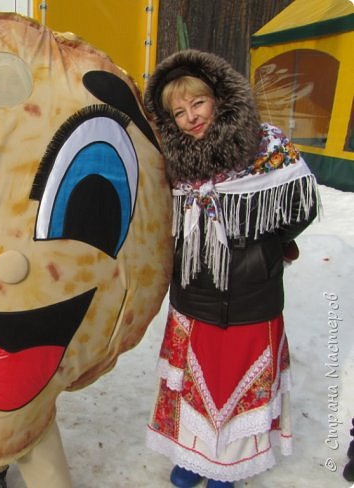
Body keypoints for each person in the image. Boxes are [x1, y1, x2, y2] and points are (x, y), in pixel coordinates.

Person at [142, 49, 320, 487]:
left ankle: (231, 466)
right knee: (195, 381)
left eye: (197, 103)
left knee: (238, 381)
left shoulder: (265, 145)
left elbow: (303, 204)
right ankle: (192, 456)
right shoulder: (174, 162)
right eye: (179, 112)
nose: (191, 117)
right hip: (193, 294)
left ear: (218, 96)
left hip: (250, 295)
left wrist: (262, 241)